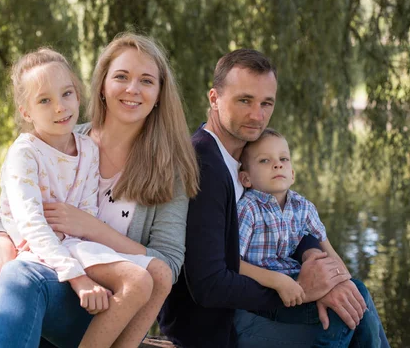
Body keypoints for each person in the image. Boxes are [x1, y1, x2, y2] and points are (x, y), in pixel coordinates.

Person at [0, 33, 199, 348]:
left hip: (96, 306)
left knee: (22, 275)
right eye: (121, 77)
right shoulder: (63, 136)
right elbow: (11, 210)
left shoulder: (168, 171)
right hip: (36, 271)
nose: (132, 89)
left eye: (146, 81)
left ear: (159, 94)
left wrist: (92, 228)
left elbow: (165, 266)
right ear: (101, 85)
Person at [158, 48, 389, 348]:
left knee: (355, 296)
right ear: (214, 99)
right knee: (339, 324)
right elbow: (209, 284)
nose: (258, 115)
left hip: (250, 304)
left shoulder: (245, 158)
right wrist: (299, 289)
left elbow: (283, 223)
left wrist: (315, 261)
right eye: (245, 100)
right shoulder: (204, 165)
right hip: (214, 326)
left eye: (266, 103)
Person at [236, 127, 381, 347]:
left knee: (356, 292)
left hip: (303, 289)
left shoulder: (303, 207)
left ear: (292, 173)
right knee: (343, 314)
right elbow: (233, 263)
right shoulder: (249, 209)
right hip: (268, 297)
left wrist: (342, 284)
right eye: (265, 161)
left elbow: (329, 252)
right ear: (246, 178)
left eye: (284, 159)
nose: (278, 164)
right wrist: (279, 282)